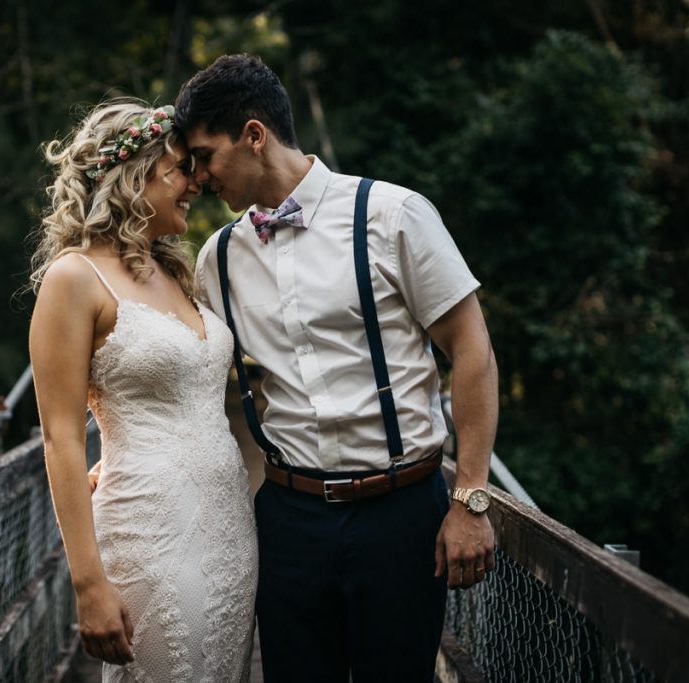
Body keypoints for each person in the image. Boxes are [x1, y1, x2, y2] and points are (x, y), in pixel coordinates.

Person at [174, 55, 499, 682]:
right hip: (288, 517)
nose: (199, 177)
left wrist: (471, 498)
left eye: (205, 156)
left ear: (254, 134)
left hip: (402, 511)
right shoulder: (218, 259)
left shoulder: (394, 214)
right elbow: (186, 369)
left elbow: (472, 350)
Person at [28, 99, 258, 682]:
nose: (196, 183)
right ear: (134, 175)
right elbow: (60, 438)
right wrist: (89, 585)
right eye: (180, 168)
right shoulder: (74, 278)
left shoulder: (177, 273)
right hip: (151, 534)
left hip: (232, 531)